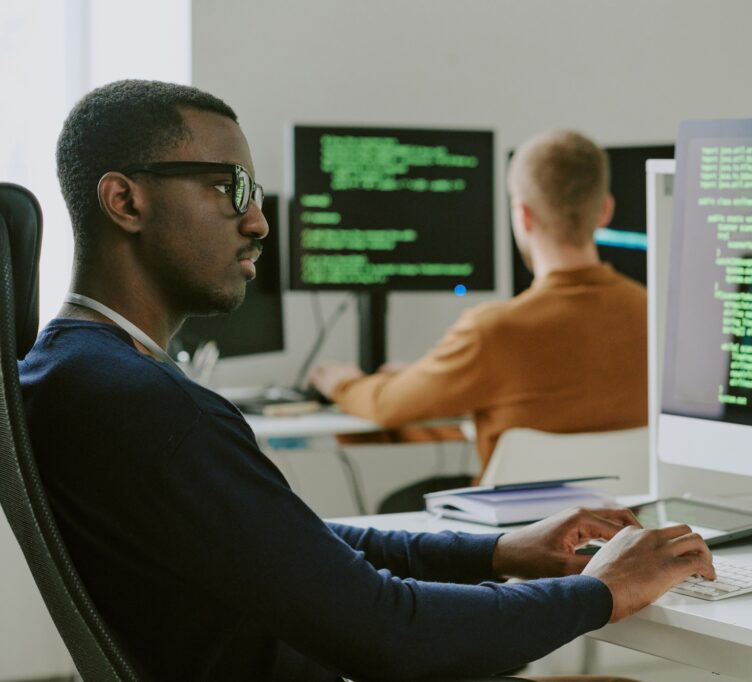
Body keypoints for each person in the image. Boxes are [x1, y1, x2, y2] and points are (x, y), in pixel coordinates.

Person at [18, 79, 714, 681]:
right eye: (228, 188)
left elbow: (298, 548)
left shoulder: (72, 375)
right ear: (125, 201)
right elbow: (386, 629)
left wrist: (498, 549)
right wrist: (603, 592)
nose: (258, 220)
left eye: (253, 192)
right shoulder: (161, 410)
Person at [309, 130, 647, 476]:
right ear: (605, 211)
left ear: (523, 215)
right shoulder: (655, 314)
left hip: (523, 529)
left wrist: (342, 382)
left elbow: (384, 406)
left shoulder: (493, 331)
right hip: (628, 524)